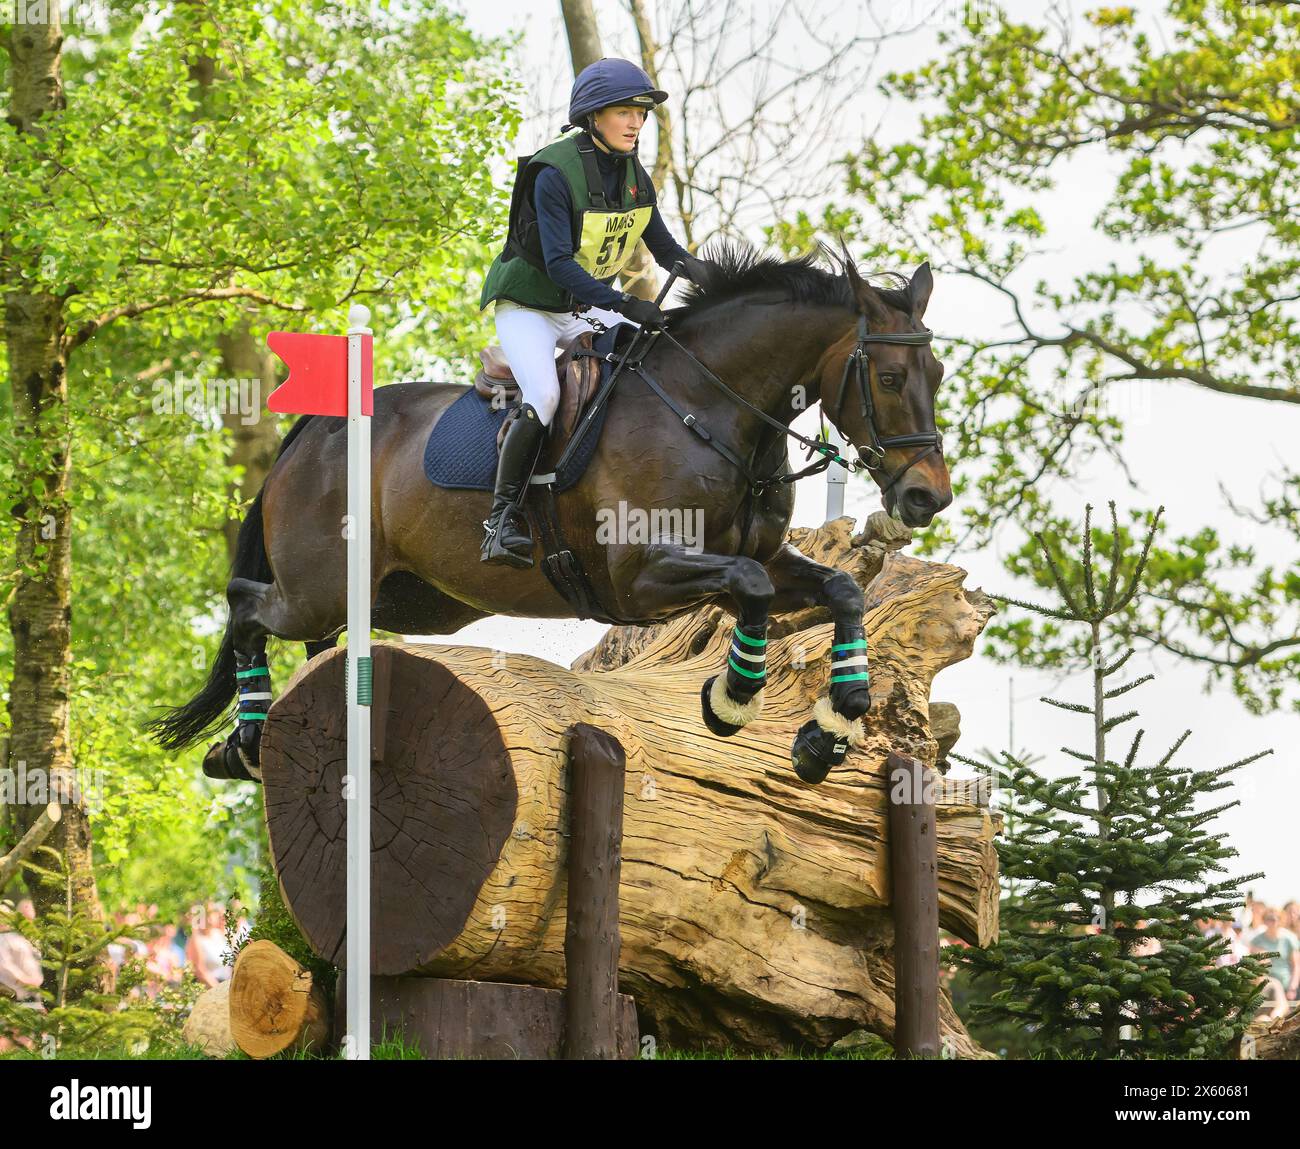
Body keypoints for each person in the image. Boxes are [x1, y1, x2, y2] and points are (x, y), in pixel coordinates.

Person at [477, 57, 713, 568]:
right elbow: (560, 264)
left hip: (581, 306)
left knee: (656, 354)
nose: (636, 123)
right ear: (593, 116)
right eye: (625, 112)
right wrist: (626, 303)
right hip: (529, 309)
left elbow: (665, 249)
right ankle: (499, 520)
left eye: (642, 113)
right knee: (543, 393)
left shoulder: (633, 176)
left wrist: (709, 275)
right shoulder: (554, 172)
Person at [1249, 909, 1300, 1012]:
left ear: (1281, 920)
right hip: (1265, 986)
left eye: (1275, 919)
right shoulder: (1257, 940)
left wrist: (1292, 988)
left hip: (1286, 986)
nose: (1272, 922)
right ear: (1264, 920)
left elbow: (1296, 966)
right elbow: (1251, 964)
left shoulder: (1289, 939)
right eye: (1269, 919)